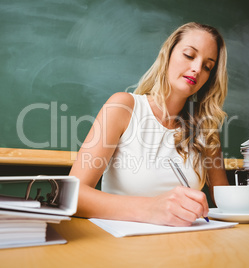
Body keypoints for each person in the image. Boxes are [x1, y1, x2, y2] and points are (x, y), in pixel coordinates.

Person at [69, 22, 229, 227]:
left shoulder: (205, 128)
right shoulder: (123, 107)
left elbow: (224, 199)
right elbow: (73, 195)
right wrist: (151, 209)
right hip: (124, 247)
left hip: (187, 246)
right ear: (168, 54)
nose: (197, 68)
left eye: (208, 66)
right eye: (189, 55)